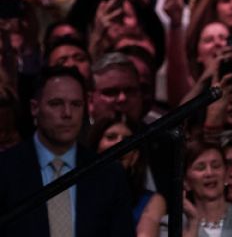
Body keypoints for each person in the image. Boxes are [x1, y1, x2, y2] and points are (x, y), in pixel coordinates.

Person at [0, 66, 134, 236]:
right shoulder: (5, 170)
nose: (67, 113)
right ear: (34, 108)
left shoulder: (108, 175)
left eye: (76, 104)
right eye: (56, 104)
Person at [89, 116, 166, 237]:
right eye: (111, 137)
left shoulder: (151, 201)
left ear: (135, 156)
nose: (120, 144)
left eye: (127, 140)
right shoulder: (76, 191)